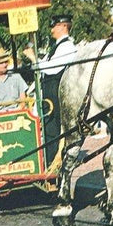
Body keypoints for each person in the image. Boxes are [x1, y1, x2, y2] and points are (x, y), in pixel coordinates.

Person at [24, 12, 77, 160]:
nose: (51, 30)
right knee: (47, 131)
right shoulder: (56, 47)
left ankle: (52, 166)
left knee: (52, 131)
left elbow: (52, 68)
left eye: (54, 26)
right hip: (48, 93)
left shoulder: (68, 47)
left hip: (55, 93)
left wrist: (34, 59)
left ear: (63, 26)